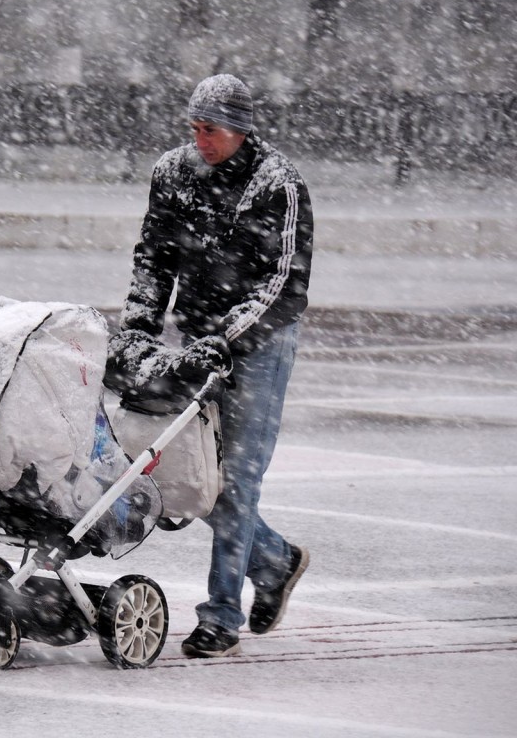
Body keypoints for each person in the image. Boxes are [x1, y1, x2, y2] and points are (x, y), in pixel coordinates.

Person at [107, 74, 313, 658]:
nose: (201, 140)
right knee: (191, 474)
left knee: (239, 479)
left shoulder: (279, 184)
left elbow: (283, 284)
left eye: (211, 130)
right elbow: (153, 258)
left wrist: (230, 336)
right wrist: (140, 332)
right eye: (194, 128)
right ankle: (274, 562)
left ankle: (221, 617)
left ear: (241, 130)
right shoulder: (172, 173)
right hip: (198, 339)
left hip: (260, 344)